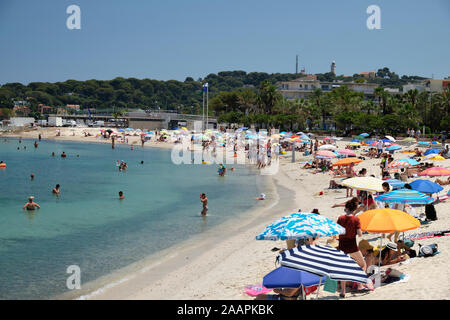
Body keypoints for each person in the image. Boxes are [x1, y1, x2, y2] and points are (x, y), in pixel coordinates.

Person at [336, 199, 368, 297]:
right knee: (363, 265)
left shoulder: (340, 218)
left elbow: (338, 231)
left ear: (346, 208)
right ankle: (360, 284)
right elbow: (360, 235)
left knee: (342, 268)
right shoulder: (356, 219)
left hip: (342, 246)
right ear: (354, 209)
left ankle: (343, 292)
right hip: (352, 246)